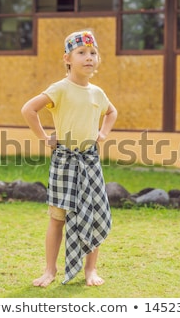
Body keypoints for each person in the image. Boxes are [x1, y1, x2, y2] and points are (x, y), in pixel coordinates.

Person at [21, 30, 117, 287]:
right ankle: (50, 270)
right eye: (82, 53)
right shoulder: (60, 89)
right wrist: (44, 138)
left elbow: (112, 112)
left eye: (93, 53)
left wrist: (103, 134)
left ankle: (90, 270)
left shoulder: (98, 93)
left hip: (90, 161)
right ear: (67, 58)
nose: (89, 58)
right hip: (65, 162)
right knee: (57, 218)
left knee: (94, 214)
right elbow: (29, 109)